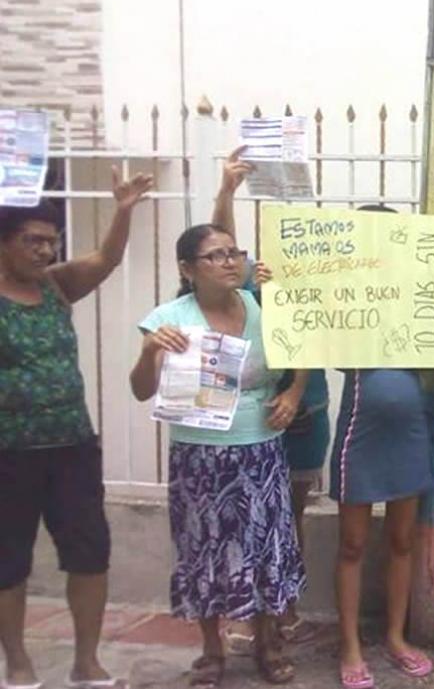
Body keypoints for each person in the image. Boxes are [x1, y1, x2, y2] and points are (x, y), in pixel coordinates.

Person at [252, 202, 434, 689]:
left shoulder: (418, 289)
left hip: (411, 433)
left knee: (402, 541)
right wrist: (275, 282)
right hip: (360, 432)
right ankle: (351, 646)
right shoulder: (345, 294)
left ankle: (396, 637)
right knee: (353, 544)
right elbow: (301, 321)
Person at [129, 224, 307, 686]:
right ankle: (212, 649)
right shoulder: (169, 318)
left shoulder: (261, 304)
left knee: (265, 550)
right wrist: (150, 351)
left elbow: (304, 346)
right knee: (203, 549)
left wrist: (293, 392)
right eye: (216, 255)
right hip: (200, 457)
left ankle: (269, 643)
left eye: (235, 252)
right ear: (188, 270)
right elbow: (140, 390)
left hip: (261, 451)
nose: (231, 261)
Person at [0, 170, 153, 689]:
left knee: (90, 552)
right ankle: (17, 662)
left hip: (72, 448)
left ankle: (86, 662)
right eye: (32, 241)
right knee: (7, 561)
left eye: (51, 241)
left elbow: (107, 261)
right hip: (8, 453)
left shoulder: (56, 287)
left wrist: (125, 210)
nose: (45, 251)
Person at [210, 148, 326, 654]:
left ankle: (285, 610)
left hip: (307, 416)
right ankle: (243, 612)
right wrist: (226, 193)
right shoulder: (259, 275)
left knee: (289, 517)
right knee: (241, 515)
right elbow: (219, 254)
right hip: (255, 419)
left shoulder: (332, 274)